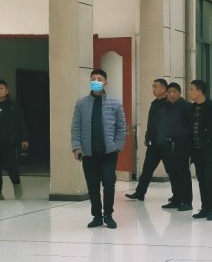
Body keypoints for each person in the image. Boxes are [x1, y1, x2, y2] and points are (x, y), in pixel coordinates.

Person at [70, 68, 127, 230]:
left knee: (109, 183)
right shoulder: (81, 103)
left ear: (105, 83)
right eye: (93, 79)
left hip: (108, 153)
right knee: (92, 185)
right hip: (88, 153)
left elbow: (121, 128)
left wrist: (117, 147)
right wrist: (76, 147)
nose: (96, 81)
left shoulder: (115, 103)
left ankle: (108, 215)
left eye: (99, 79)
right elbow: (75, 128)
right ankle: (96, 216)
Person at [0, 78, 28, 201]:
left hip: (9, 142)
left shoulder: (13, 105)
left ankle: (16, 182)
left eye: (1, 88)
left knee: (11, 166)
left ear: (6, 91)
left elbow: (20, 122)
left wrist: (24, 138)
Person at [126, 78, 172, 202]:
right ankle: (140, 193)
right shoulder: (154, 104)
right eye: (153, 86)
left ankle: (177, 195)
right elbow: (151, 123)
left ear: (164, 88)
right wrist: (147, 136)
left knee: (171, 170)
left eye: (156, 86)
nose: (153, 89)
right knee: (147, 169)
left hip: (166, 144)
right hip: (153, 144)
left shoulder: (169, 104)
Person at [187, 79, 212, 220]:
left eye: (191, 89)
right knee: (202, 180)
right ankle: (205, 207)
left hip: (211, 151)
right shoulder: (191, 109)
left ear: (199, 91)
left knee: (210, 179)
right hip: (197, 151)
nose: (189, 92)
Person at [161, 82, 193, 211]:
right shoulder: (166, 107)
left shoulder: (186, 106)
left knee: (183, 172)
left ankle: (187, 201)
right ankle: (176, 199)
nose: (172, 94)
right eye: (169, 92)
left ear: (180, 93)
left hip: (182, 144)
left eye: (174, 92)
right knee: (172, 172)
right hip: (168, 143)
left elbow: (191, 126)